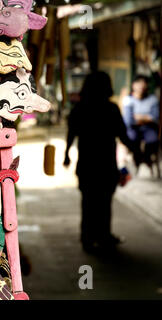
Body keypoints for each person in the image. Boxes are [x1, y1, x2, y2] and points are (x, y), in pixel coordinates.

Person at [64, 71, 135, 252]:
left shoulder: (79, 109)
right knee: (104, 203)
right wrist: (137, 151)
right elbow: (123, 135)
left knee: (88, 203)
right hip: (105, 165)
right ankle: (104, 237)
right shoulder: (111, 109)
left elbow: (71, 134)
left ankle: (88, 239)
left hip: (87, 165)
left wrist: (66, 155)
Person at [122, 75, 160, 168]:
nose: (142, 86)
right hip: (133, 129)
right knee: (131, 139)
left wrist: (138, 117)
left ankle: (146, 158)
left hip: (149, 128)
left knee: (153, 140)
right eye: (139, 83)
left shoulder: (153, 99)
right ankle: (137, 158)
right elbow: (128, 121)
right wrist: (146, 118)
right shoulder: (128, 100)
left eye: (144, 83)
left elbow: (155, 117)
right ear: (133, 85)